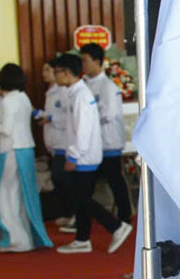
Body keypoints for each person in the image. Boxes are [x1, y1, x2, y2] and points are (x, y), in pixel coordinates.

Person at [51, 53, 133, 254]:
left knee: (82, 198)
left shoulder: (81, 95)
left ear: (67, 73)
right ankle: (82, 238)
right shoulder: (74, 92)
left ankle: (116, 226)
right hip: (82, 153)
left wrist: (73, 155)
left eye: (57, 72)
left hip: (84, 155)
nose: (55, 76)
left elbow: (84, 130)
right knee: (81, 198)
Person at [0, 64, 51, 252]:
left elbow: (6, 129)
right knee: (22, 195)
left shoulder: (8, 100)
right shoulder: (23, 97)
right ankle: (26, 238)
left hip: (11, 150)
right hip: (25, 148)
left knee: (4, 196)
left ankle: (16, 240)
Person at [79, 43, 133, 228]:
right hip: (92, 144)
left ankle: (125, 218)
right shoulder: (85, 84)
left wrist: (87, 119)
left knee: (115, 181)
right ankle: (83, 220)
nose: (83, 65)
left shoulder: (108, 86)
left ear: (97, 61)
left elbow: (109, 114)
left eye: (85, 61)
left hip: (108, 142)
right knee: (86, 186)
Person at [35, 60, 75, 226]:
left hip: (64, 143)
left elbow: (66, 117)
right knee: (58, 181)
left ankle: (73, 214)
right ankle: (67, 213)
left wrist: (51, 118)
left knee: (63, 180)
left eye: (48, 70)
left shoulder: (63, 91)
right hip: (55, 143)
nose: (44, 73)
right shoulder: (51, 91)